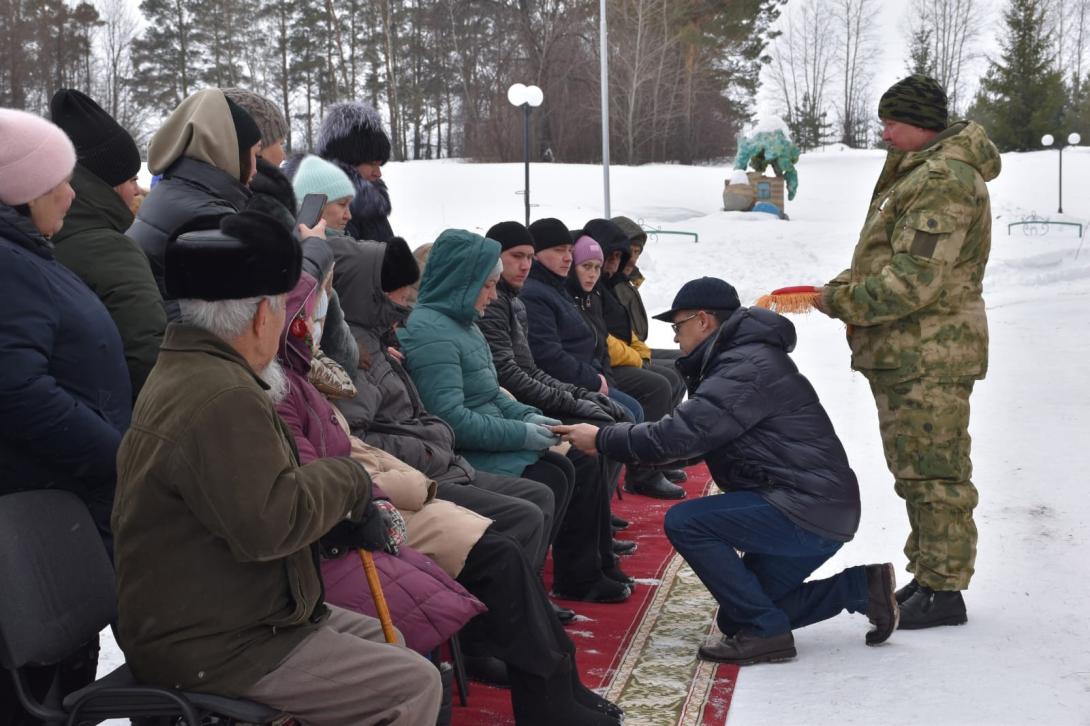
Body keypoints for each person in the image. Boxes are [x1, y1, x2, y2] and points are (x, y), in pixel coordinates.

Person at [112, 210, 442, 725]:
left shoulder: (194, 369)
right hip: (216, 642)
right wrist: (353, 483)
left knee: (390, 639)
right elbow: (272, 522)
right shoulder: (220, 395)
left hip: (238, 616)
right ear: (262, 316)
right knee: (410, 685)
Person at [558, 277, 899, 665]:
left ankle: (769, 636)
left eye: (678, 325)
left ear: (703, 321)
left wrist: (603, 438)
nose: (676, 335)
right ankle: (860, 588)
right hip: (814, 505)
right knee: (738, 616)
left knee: (688, 522)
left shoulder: (743, 367)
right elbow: (694, 441)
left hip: (806, 511)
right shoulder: (742, 358)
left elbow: (679, 437)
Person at [816, 74, 1001, 630]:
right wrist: (844, 287)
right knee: (918, 472)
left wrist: (839, 301)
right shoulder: (921, 172)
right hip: (911, 351)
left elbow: (912, 282)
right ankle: (931, 576)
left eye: (892, 122)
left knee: (936, 473)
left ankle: (945, 592)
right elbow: (886, 260)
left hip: (929, 353)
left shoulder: (943, 179)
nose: (884, 132)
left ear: (920, 124)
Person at [401, 228, 629, 603]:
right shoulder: (431, 333)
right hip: (467, 451)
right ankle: (533, 588)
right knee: (554, 476)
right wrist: (523, 433)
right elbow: (451, 419)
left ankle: (548, 579)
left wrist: (531, 417)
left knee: (569, 464)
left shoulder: (465, 324)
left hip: (495, 431)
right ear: (462, 283)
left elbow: (493, 393)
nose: (492, 296)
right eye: (487, 286)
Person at [0, 108, 132, 724]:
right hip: (54, 499)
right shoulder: (10, 265)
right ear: (22, 193)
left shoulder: (27, 254)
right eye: (59, 179)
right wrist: (114, 452)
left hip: (72, 495)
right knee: (44, 684)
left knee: (68, 669)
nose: (73, 192)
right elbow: (18, 390)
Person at [49, 89, 166, 400]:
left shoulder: (38, 237)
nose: (138, 190)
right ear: (107, 186)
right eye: (130, 180)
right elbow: (147, 352)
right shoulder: (113, 250)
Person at [128, 88, 262, 320]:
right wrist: (314, 255)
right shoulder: (212, 219)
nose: (256, 169)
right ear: (230, 153)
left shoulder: (168, 194)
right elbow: (249, 322)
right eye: (254, 155)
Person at [316, 100, 395, 242]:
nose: (378, 173)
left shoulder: (369, 201)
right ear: (347, 159)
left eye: (379, 165)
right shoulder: (330, 209)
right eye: (371, 164)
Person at [222, 88, 296, 230]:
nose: (284, 155)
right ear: (258, 147)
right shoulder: (264, 205)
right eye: (281, 144)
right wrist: (313, 242)